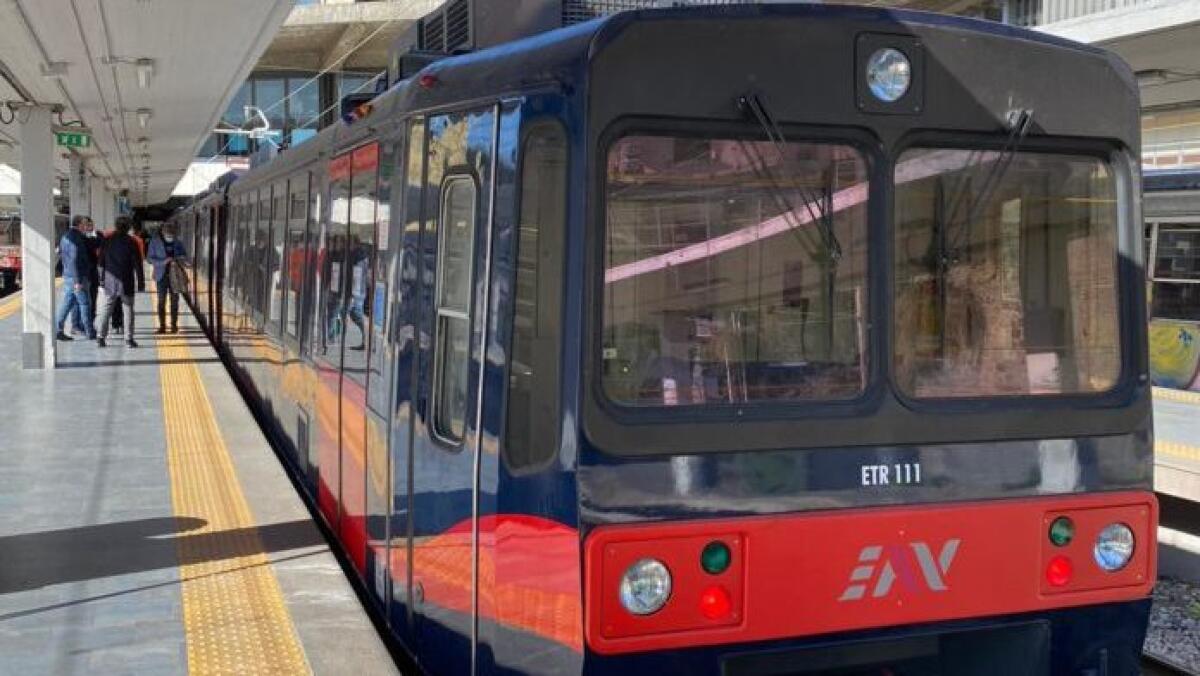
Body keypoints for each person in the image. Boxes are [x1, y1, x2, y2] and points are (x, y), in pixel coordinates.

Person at [96, 219, 142, 348]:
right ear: (128, 227)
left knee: (106, 309)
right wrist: (141, 282)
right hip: (126, 281)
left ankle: (100, 337)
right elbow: (138, 264)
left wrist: (101, 279)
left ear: (115, 226)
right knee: (128, 310)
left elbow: (100, 262)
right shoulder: (132, 242)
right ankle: (128, 339)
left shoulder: (107, 240)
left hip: (110, 281)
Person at [53, 215, 97, 342]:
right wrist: (77, 281)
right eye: (84, 224)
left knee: (67, 304)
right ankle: (89, 332)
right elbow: (74, 260)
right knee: (85, 304)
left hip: (68, 276)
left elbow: (61, 254)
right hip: (77, 277)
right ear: (79, 224)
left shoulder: (66, 236)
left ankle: (58, 330)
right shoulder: (75, 238)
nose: (86, 226)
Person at [147, 223, 187, 333]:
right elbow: (149, 259)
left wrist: (178, 259)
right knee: (161, 301)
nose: (170, 236)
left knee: (175, 301)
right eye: (168, 234)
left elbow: (184, 255)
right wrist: (163, 262)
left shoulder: (177, 242)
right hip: (161, 276)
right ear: (163, 232)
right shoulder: (155, 242)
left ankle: (174, 325)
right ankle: (162, 326)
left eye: (172, 234)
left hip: (175, 276)